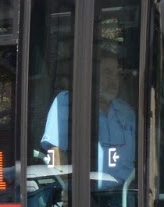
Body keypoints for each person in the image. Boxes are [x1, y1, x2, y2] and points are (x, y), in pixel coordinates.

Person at [40, 49, 137, 183]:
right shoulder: (67, 103)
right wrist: (68, 188)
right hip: (86, 192)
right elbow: (56, 156)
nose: (114, 80)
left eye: (117, 74)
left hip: (125, 193)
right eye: (108, 72)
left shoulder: (127, 112)